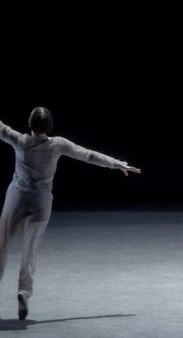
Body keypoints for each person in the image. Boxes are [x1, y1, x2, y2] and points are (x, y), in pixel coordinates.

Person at [1, 107, 141, 321]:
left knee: (1, 244)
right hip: (41, 202)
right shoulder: (57, 144)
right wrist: (116, 163)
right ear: (49, 126)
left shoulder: (19, 140)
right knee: (30, 250)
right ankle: (24, 292)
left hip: (17, 198)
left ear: (30, 124)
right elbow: (88, 155)